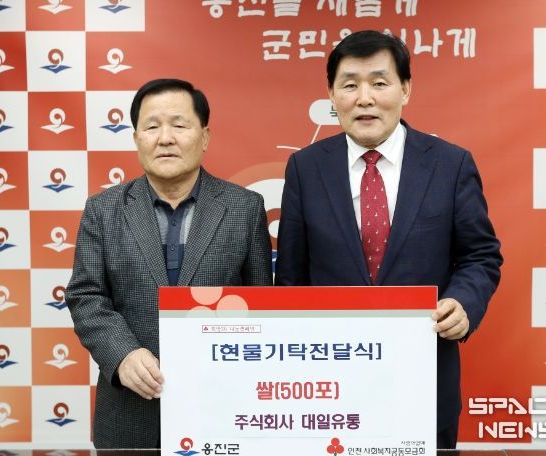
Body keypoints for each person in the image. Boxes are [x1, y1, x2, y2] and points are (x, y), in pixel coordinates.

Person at [275, 30, 502, 448]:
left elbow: (481, 255)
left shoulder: (450, 164)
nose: (365, 98)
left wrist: (463, 303)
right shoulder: (305, 169)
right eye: (350, 85)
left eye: (379, 83)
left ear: (405, 89)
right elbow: (291, 279)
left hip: (425, 379)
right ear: (332, 94)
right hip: (328, 388)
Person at [66, 78, 273, 448]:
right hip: (130, 413)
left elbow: (261, 304)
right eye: (151, 127)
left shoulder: (244, 208)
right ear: (136, 139)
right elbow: (86, 296)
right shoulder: (103, 210)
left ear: (204, 137)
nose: (165, 138)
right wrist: (123, 353)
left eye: (179, 125)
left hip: (222, 410)